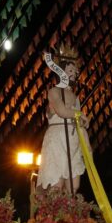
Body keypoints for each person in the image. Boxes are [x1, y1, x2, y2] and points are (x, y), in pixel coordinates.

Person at [37, 44, 90, 194]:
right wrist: (80, 115)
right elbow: (61, 111)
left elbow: (79, 122)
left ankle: (69, 216)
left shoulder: (75, 97)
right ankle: (54, 215)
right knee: (56, 185)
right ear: (62, 71)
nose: (75, 73)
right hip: (57, 138)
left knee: (73, 187)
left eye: (76, 71)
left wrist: (87, 146)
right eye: (71, 70)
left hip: (73, 139)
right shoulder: (54, 92)